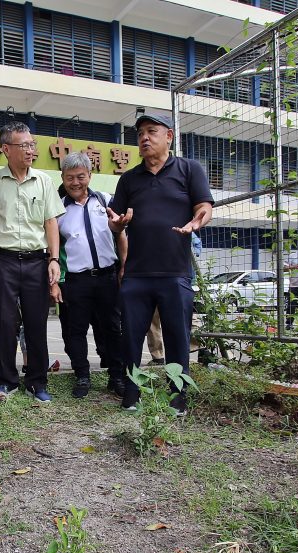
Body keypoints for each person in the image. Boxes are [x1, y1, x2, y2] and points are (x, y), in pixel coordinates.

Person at [108, 112, 213, 414]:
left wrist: (197, 221)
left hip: (175, 273)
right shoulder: (129, 178)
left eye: (151, 131)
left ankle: (178, 396)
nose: (144, 137)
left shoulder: (189, 169)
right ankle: (131, 392)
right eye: (140, 133)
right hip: (137, 274)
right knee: (130, 336)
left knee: (177, 337)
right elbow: (116, 222)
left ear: (168, 136)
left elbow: (204, 206)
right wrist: (117, 224)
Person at [0, 122, 64, 402]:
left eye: (31, 144)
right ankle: (7, 381)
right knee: (4, 323)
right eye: (24, 145)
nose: (30, 150)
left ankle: (38, 382)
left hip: (36, 262)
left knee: (37, 322)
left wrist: (53, 259)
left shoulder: (44, 181)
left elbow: (51, 222)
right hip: (3, 260)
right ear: (6, 149)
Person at [54, 152, 127, 399]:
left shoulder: (105, 201)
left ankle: (116, 376)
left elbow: (120, 234)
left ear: (90, 176)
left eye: (81, 177)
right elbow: (51, 247)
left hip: (108, 277)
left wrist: (124, 266)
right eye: (70, 178)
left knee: (112, 328)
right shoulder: (58, 210)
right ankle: (82, 376)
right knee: (75, 331)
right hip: (76, 281)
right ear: (63, 178)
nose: (75, 183)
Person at [146, 233, 202, 365]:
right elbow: (197, 246)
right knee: (155, 318)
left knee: (184, 316)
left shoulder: (179, 224)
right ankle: (158, 355)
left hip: (175, 276)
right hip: (171, 276)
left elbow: (196, 246)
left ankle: (195, 345)